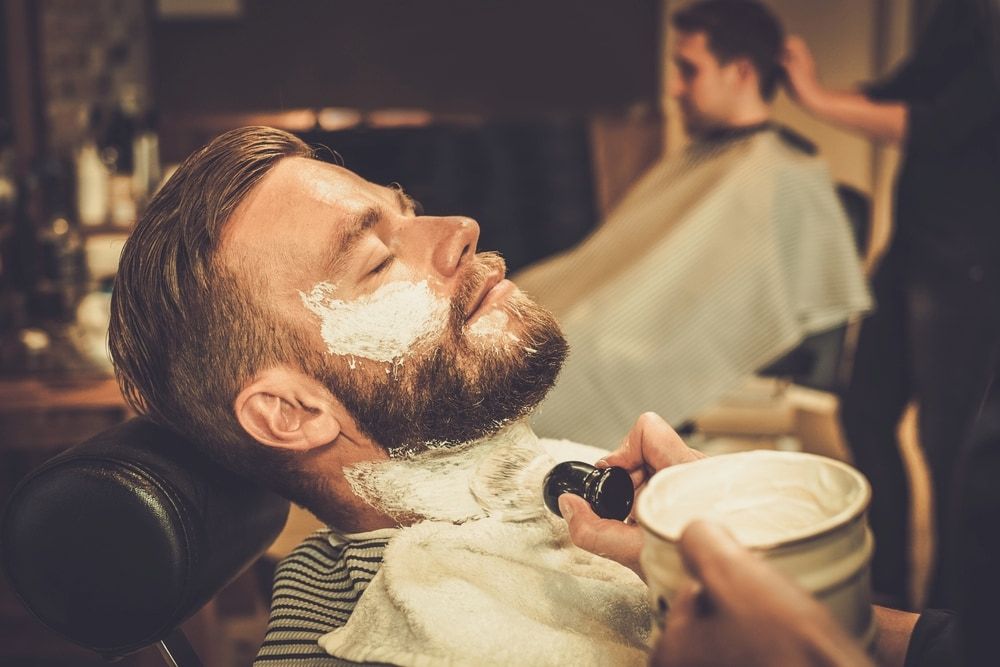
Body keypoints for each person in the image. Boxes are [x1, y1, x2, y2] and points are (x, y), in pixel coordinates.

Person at [108, 126, 660, 666]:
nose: (462, 228)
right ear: (292, 412)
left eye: (410, 211)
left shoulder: (586, 483)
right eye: (377, 261)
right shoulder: (398, 639)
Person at [514, 0, 871, 446]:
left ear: (740, 71)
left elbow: (720, 309)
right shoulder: (706, 156)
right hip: (614, 316)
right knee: (528, 303)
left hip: (646, 342)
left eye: (689, 70)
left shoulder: (784, 173)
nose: (675, 88)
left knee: (557, 359)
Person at [782, 0, 1000, 607]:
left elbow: (937, 122)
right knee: (865, 411)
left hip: (972, 263)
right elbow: (892, 92)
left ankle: (949, 621)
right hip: (914, 245)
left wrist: (817, 101)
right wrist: (812, 83)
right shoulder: (956, 14)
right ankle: (890, 591)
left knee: (949, 446)